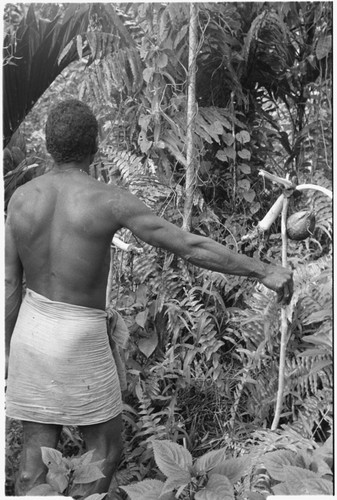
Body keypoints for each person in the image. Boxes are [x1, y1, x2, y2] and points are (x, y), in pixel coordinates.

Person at [5, 99, 293, 496]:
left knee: (33, 464)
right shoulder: (109, 200)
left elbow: (8, 285)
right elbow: (190, 246)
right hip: (80, 339)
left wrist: (11, 353)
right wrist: (264, 270)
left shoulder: (19, 200)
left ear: (49, 147)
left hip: (31, 336)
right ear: (95, 146)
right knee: (105, 448)